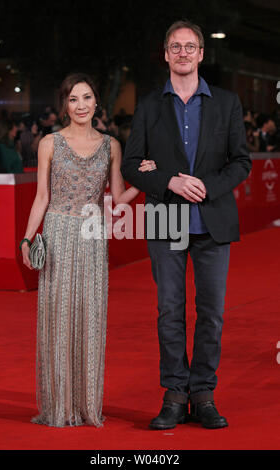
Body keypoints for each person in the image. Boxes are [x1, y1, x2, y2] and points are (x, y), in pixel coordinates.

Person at [121, 20, 252, 430]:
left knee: (211, 313)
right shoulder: (148, 106)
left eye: (189, 47)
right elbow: (130, 164)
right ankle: (175, 395)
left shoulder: (227, 103)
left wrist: (204, 187)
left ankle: (204, 394)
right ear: (166, 54)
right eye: (175, 47)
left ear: (200, 54)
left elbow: (241, 162)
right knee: (169, 312)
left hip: (213, 221)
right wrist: (169, 180)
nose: (182, 53)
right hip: (165, 217)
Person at [20, 72, 155, 428]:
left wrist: (143, 179)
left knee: (90, 319)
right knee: (58, 319)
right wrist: (27, 238)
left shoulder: (111, 145)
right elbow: (42, 197)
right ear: (65, 105)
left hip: (94, 235)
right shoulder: (49, 143)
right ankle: (59, 406)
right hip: (59, 232)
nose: (80, 105)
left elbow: (116, 198)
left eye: (86, 98)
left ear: (97, 102)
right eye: (73, 99)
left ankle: (85, 406)